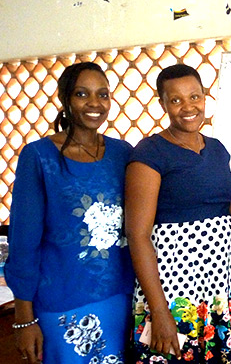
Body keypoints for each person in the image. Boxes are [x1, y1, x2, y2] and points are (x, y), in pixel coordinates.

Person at [4, 62, 134, 364]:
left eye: (103, 95)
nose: (94, 103)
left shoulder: (123, 153)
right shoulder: (39, 156)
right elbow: (24, 242)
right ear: (66, 99)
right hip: (62, 301)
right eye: (82, 94)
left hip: (122, 297)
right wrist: (24, 318)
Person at [125, 64, 231, 364]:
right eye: (176, 100)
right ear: (163, 104)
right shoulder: (150, 153)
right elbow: (137, 235)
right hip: (173, 292)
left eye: (194, 96)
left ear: (205, 98)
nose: (188, 107)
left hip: (220, 288)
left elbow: (226, 210)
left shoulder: (218, 150)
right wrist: (159, 311)